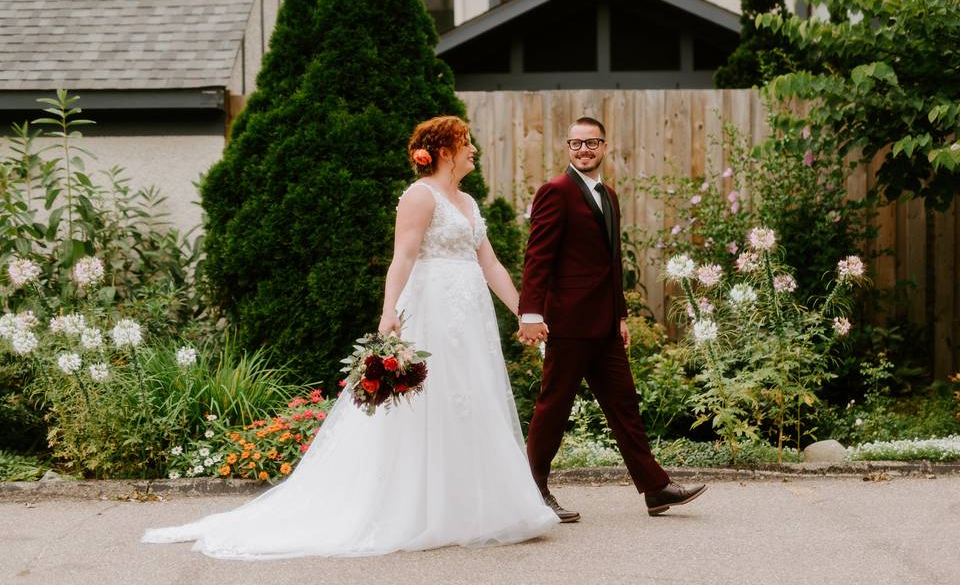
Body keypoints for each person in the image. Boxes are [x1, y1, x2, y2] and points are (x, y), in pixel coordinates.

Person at [142, 116, 557, 558]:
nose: (474, 149)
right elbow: (404, 256)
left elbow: (490, 264)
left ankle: (473, 507)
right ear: (444, 151)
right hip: (433, 309)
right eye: (466, 142)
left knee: (472, 398)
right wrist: (388, 313)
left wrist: (523, 311)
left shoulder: (469, 202)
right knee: (430, 403)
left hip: (470, 315)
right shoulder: (420, 196)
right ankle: (421, 509)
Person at [518, 116, 707, 521]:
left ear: (605, 147)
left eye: (591, 143)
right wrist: (531, 312)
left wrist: (620, 315)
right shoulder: (556, 192)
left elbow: (612, 264)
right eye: (575, 144)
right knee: (554, 407)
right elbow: (538, 257)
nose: (583, 150)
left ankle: (656, 489)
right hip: (567, 324)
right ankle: (532, 493)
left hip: (604, 326)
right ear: (567, 148)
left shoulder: (610, 196)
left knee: (624, 406)